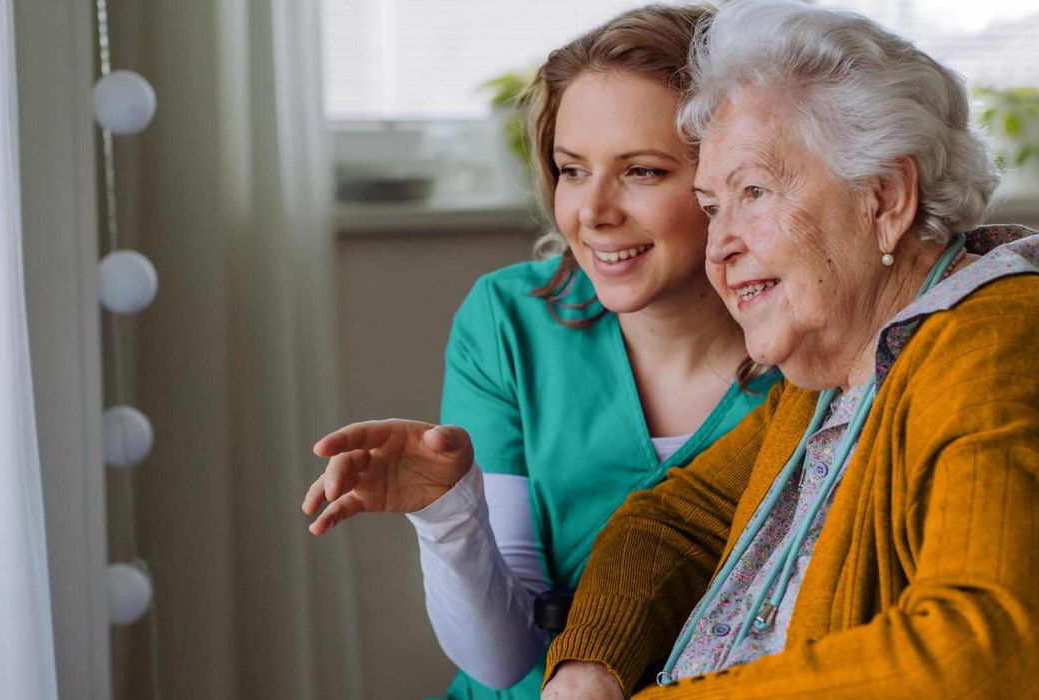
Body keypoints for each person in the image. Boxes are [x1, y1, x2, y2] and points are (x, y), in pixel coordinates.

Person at [540, 2, 1039, 698]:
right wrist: (589, 672)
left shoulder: (1005, 342)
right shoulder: (841, 373)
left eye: (754, 192)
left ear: (885, 198)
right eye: (711, 206)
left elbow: (971, 656)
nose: (720, 247)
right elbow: (669, 522)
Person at [298, 5, 780, 698]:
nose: (592, 212)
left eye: (642, 172)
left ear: (735, 181)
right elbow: (498, 662)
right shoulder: (510, 323)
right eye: (571, 170)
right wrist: (448, 515)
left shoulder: (807, 348)